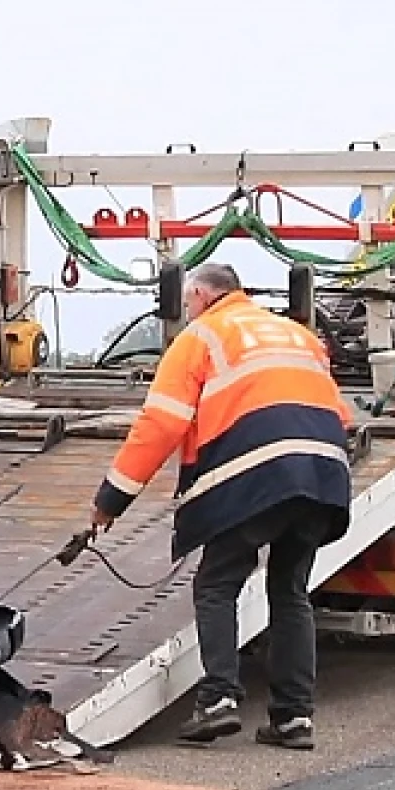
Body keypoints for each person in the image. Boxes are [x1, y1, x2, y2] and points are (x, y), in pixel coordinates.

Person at [89, 263, 353, 750]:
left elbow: (161, 424)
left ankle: (218, 700)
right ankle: (294, 718)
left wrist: (112, 499)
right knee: (290, 590)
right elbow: (341, 414)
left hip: (257, 470)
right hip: (323, 472)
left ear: (202, 295)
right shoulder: (300, 336)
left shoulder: (200, 338)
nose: (187, 311)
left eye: (188, 302)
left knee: (216, 584)